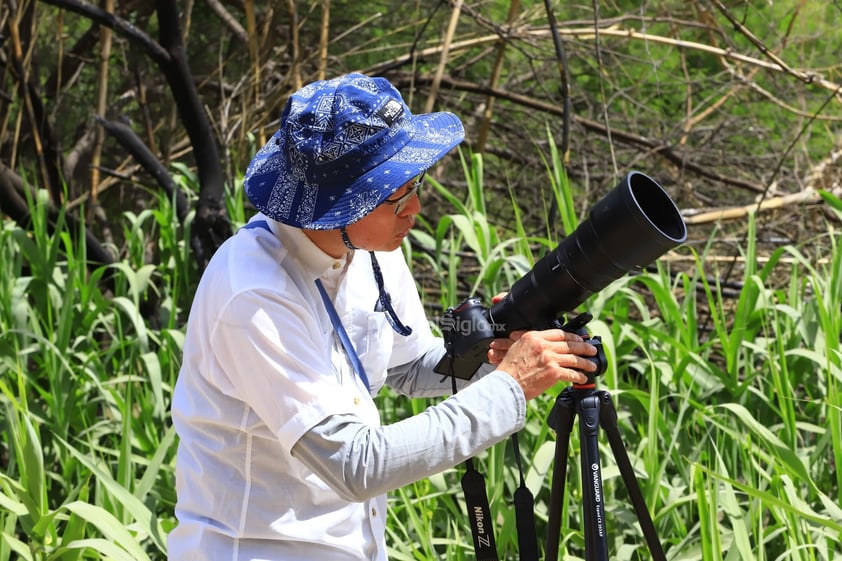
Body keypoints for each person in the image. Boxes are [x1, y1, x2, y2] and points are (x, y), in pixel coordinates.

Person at [168, 72, 598, 560]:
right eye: (397, 194)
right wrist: (510, 386)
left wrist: (491, 351)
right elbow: (356, 466)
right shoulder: (253, 294)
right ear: (339, 206)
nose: (415, 208)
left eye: (415, 184)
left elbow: (409, 367)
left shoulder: (372, 248)